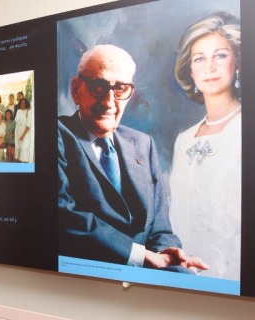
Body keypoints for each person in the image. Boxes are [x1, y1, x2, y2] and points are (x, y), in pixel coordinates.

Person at [58, 44, 208, 272]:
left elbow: (160, 229)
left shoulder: (143, 143)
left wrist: (167, 254)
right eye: (99, 86)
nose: (109, 102)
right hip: (88, 275)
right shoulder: (54, 133)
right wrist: (143, 257)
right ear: (76, 90)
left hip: (145, 272)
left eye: (120, 89)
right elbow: (61, 215)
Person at [169, 12, 241, 280]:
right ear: (191, 70)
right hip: (180, 279)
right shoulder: (184, 140)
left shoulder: (246, 129)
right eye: (200, 58)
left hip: (233, 282)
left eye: (220, 55)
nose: (209, 67)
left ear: (238, 64)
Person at [14, 98, 34, 163]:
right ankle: (20, 162)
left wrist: (23, 135)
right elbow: (16, 123)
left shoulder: (29, 111)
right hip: (18, 132)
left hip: (25, 133)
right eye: (21, 103)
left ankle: (25, 163)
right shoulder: (18, 111)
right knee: (18, 147)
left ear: (26, 104)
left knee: (24, 148)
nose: (22, 104)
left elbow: (28, 125)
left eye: (24, 103)